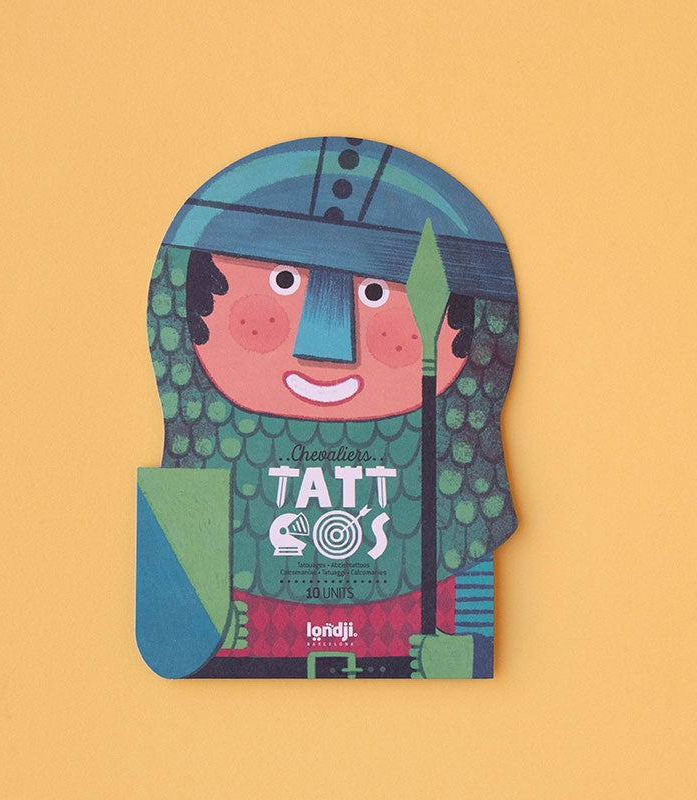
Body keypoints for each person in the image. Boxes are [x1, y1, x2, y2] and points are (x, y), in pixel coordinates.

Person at [137, 137, 519, 679]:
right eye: (284, 281)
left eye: (375, 293)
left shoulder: (459, 508)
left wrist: (465, 653)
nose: (327, 346)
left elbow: (474, 624)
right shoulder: (186, 502)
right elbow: (171, 644)